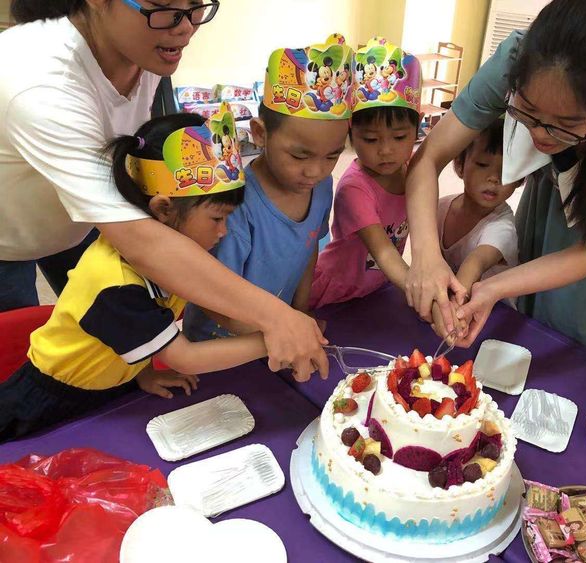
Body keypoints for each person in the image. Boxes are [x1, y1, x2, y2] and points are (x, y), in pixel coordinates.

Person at [0, 0, 327, 379]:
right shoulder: (42, 84)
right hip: (8, 240)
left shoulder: (142, 53)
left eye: (196, 6)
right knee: (17, 352)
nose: (186, 27)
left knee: (104, 329)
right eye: (165, 7)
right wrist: (276, 317)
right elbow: (142, 241)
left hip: (75, 220)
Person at [403, 0, 586, 355]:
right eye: (527, 111)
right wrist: (426, 256)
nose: (541, 137)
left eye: (567, 124)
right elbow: (428, 157)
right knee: (535, 280)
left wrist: (494, 287)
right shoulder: (518, 58)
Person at [0, 109, 274, 442]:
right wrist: (270, 343)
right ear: (163, 209)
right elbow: (185, 358)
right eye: (217, 218)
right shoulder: (116, 285)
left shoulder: (174, 257)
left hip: (114, 380)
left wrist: (142, 373)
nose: (223, 231)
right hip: (47, 399)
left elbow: (144, 328)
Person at [183, 35, 352, 345]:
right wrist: (282, 334)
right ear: (260, 134)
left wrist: (300, 313)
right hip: (220, 344)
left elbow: (308, 249)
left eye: (332, 156)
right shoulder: (236, 207)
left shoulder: (322, 187)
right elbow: (216, 298)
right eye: (299, 156)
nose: (315, 172)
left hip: (275, 335)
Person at [310, 37, 421, 309]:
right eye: (371, 139)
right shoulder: (354, 189)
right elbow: (383, 252)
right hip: (338, 290)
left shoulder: (414, 171)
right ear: (351, 134)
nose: (386, 151)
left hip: (377, 286)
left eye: (399, 137)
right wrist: (423, 294)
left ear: (417, 129)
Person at [431, 115, 522, 337]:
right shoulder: (440, 207)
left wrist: (453, 309)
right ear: (460, 165)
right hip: (451, 312)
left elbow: (475, 262)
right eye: (482, 165)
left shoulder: (503, 226)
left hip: (494, 321)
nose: (495, 178)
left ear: (521, 178)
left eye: (508, 171)